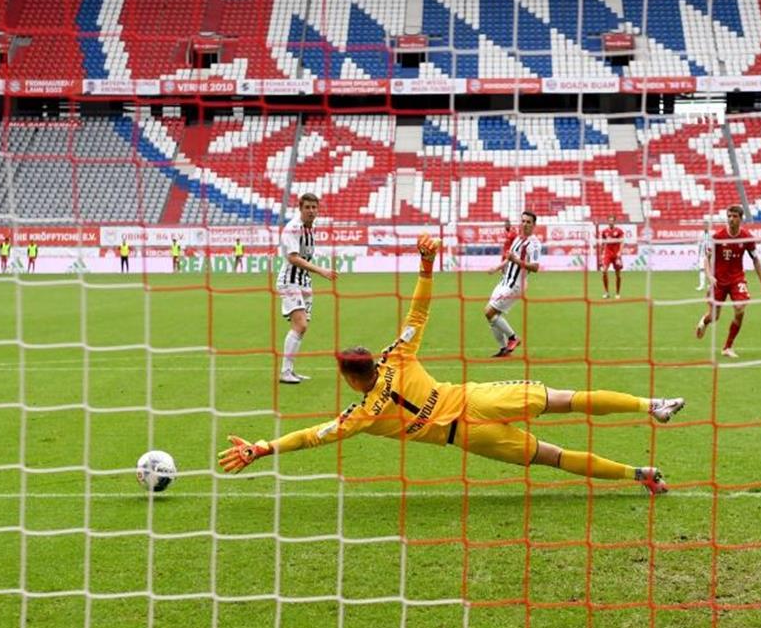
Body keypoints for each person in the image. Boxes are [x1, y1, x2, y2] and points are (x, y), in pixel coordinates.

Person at [219, 235, 683, 494]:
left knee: (553, 457)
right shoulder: (396, 356)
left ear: (347, 377)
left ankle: (637, 475)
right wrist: (425, 266)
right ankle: (652, 404)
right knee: (566, 400)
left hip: (466, 436)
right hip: (474, 397)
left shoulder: (360, 416)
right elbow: (417, 312)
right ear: (369, 360)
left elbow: (309, 437)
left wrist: (263, 447)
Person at [277, 193, 337, 384]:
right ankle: (284, 372)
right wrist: (321, 271)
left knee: (302, 328)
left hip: (304, 281)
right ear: (300, 208)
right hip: (290, 281)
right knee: (300, 324)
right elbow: (293, 258)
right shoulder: (293, 228)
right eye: (307, 207)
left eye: (314, 207)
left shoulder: (312, 228)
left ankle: (290, 370)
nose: (311, 211)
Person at [695, 206, 761, 359]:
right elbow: (707, 259)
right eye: (729, 216)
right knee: (714, 316)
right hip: (719, 281)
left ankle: (727, 347)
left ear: (741, 218)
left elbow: (755, 259)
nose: (731, 219)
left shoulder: (747, 237)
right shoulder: (718, 237)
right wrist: (710, 276)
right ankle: (704, 321)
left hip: (737, 279)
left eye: (734, 216)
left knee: (740, 309)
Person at [485, 211, 541, 357]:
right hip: (504, 281)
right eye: (523, 221)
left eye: (529, 222)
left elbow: (535, 267)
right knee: (492, 316)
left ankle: (513, 338)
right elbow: (510, 257)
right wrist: (497, 267)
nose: (525, 224)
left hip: (515, 285)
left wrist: (516, 261)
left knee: (489, 312)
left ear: (534, 225)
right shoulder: (518, 238)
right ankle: (504, 349)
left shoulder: (534, 244)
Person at [598, 216, 625, 299]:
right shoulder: (604, 232)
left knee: (618, 274)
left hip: (616, 255)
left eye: (612, 221)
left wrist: (620, 252)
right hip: (607, 254)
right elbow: (603, 243)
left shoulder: (619, 231)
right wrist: (600, 254)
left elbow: (622, 242)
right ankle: (606, 292)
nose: (610, 222)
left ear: (614, 222)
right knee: (604, 271)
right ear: (608, 222)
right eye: (609, 221)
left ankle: (617, 293)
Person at [695, 221, 711, 291]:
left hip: (710, 255)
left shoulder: (711, 234)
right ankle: (702, 285)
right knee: (702, 269)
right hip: (702, 254)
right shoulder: (701, 234)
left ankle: (710, 284)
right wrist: (698, 255)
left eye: (706, 225)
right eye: (704, 225)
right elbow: (699, 245)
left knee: (709, 270)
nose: (705, 227)